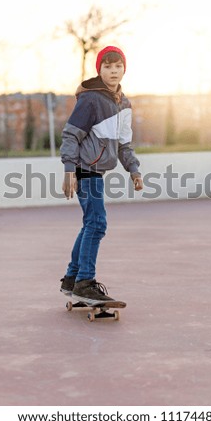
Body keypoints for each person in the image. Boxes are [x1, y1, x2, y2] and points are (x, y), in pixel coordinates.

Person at [60, 46, 143, 305]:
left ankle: (72, 280)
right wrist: (69, 170)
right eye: (107, 66)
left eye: (118, 66)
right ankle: (85, 282)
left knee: (91, 223)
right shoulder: (91, 99)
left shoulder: (124, 103)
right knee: (97, 224)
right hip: (85, 170)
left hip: (96, 171)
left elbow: (124, 144)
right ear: (100, 69)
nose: (113, 71)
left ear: (124, 69)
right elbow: (71, 134)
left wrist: (134, 170)